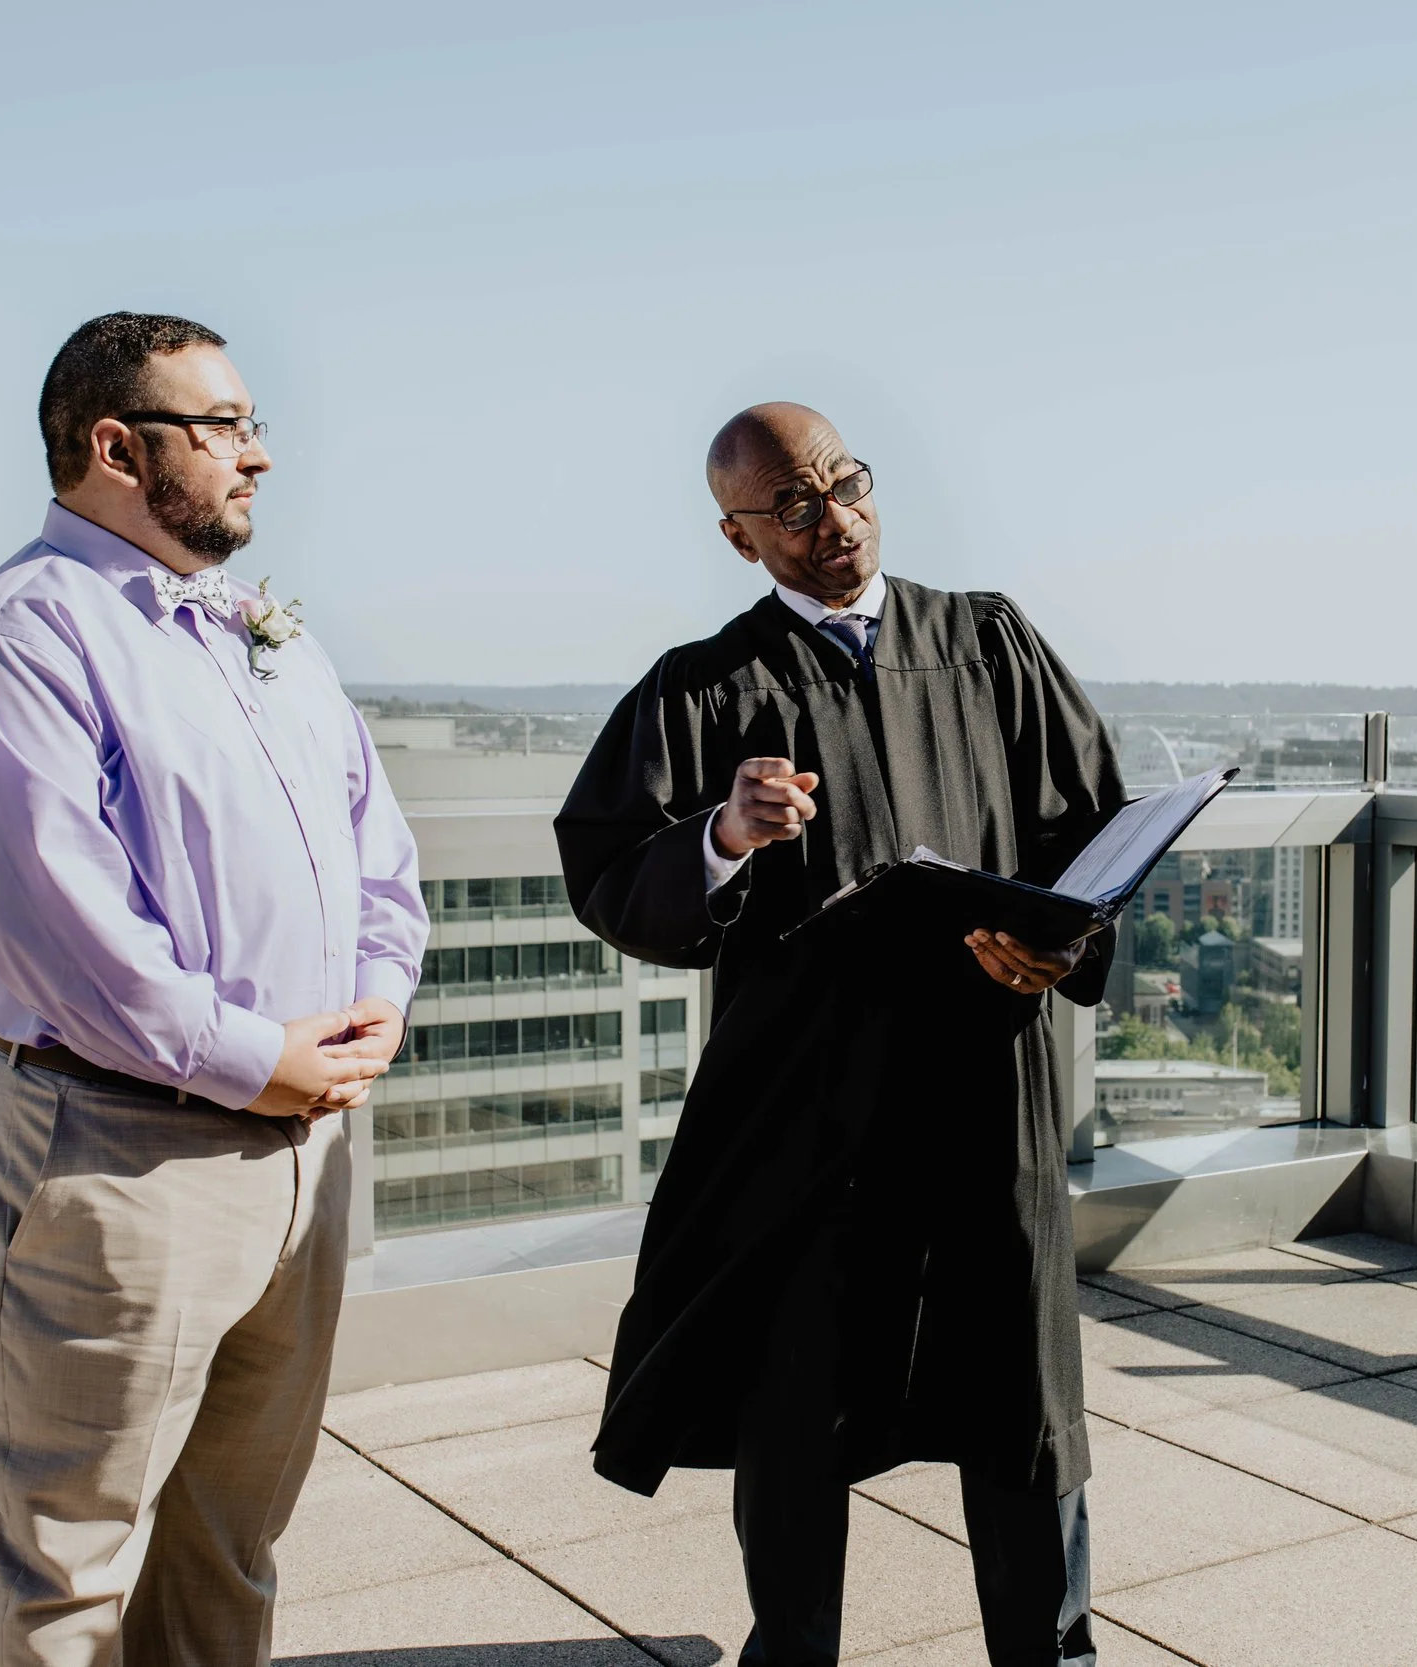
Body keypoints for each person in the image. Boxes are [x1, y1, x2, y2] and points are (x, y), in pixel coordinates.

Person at [556, 403, 1122, 1667]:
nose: (835, 523)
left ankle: (1051, 1650)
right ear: (738, 533)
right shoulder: (704, 687)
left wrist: (1061, 941)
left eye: (846, 486)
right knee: (797, 1397)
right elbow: (606, 869)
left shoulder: (985, 638)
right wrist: (721, 835)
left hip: (988, 1070)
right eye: (794, 508)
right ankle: (793, 1648)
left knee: (1019, 1386)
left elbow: (1089, 824)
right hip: (809, 1102)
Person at [0, 312, 426, 1666]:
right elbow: (64, 931)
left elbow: (378, 845)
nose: (259, 457)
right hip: (117, 1159)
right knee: (72, 1571)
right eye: (227, 426)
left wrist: (377, 996)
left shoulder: (268, 633)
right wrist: (257, 1056)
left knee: (229, 1545)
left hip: (304, 1149)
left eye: (257, 426)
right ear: (116, 445)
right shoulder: (18, 639)